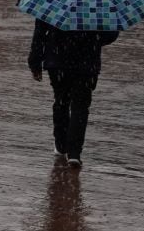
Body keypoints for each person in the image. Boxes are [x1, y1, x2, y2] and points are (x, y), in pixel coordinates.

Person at [29, 19, 118, 168]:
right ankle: (75, 154)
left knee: (61, 101)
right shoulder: (98, 3)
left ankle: (61, 144)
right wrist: (91, 39)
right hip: (87, 62)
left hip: (57, 61)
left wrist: (34, 62)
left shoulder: (54, 0)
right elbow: (111, 34)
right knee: (81, 107)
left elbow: (39, 33)